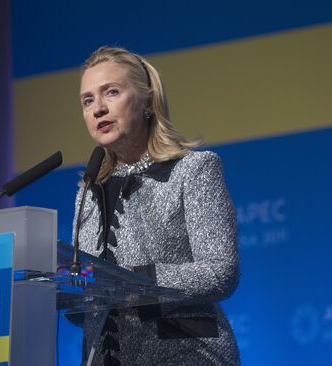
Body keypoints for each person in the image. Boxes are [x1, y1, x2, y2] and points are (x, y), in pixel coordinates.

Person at [73, 46, 240, 365]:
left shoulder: (193, 170)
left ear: (148, 101)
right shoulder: (87, 193)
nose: (98, 109)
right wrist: (71, 287)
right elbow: (85, 309)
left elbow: (221, 271)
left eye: (111, 92)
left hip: (186, 353)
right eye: (88, 101)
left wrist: (137, 283)